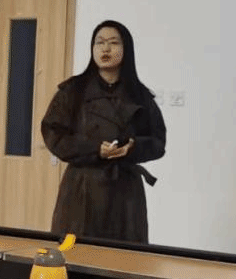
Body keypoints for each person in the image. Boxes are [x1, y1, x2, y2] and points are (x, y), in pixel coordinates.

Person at [40, 20, 166, 243]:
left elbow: (158, 141)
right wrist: (94, 149)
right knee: (76, 253)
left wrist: (132, 147)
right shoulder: (73, 91)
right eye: (99, 42)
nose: (105, 48)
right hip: (82, 187)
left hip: (125, 192)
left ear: (126, 49)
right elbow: (53, 133)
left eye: (113, 43)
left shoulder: (140, 95)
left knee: (124, 256)